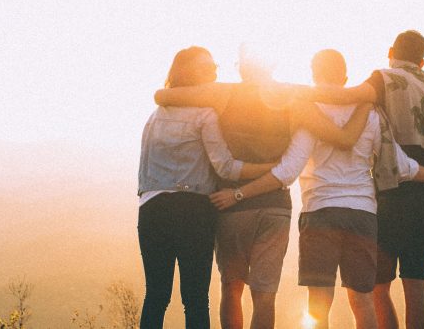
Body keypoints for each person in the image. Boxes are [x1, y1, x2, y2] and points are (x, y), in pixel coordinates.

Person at [210, 49, 424, 329]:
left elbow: (287, 171)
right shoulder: (371, 114)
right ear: (346, 77)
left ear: (314, 75)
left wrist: (239, 193)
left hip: (320, 214)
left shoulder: (309, 114)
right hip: (362, 215)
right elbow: (400, 166)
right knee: (362, 301)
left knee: (319, 304)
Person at [153, 47, 371, 329]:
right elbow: (342, 134)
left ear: (242, 66)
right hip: (275, 207)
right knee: (265, 296)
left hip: (230, 205)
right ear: (272, 64)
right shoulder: (292, 96)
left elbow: (163, 96)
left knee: (231, 289)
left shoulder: (223, 93)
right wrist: (368, 98)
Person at [298, 31, 424, 329]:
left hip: (393, 192)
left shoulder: (386, 78)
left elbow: (345, 97)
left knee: (377, 286)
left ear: (390, 51)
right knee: (416, 281)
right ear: (422, 61)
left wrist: (293, 93)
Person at [137, 46, 277, 329]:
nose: (214, 71)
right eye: (207, 68)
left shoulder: (155, 116)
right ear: (190, 73)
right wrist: (269, 168)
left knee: (156, 295)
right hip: (193, 210)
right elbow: (225, 167)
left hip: (151, 210)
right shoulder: (205, 114)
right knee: (196, 298)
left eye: (215, 66)